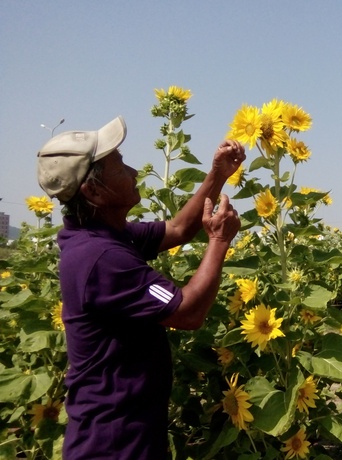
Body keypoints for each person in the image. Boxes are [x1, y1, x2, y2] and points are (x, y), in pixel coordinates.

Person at [36, 116, 245, 459]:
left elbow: (178, 229)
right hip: (114, 442)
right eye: (119, 167)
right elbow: (188, 311)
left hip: (127, 429)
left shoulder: (102, 235)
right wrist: (220, 241)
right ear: (93, 191)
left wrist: (219, 174)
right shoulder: (101, 258)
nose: (133, 172)